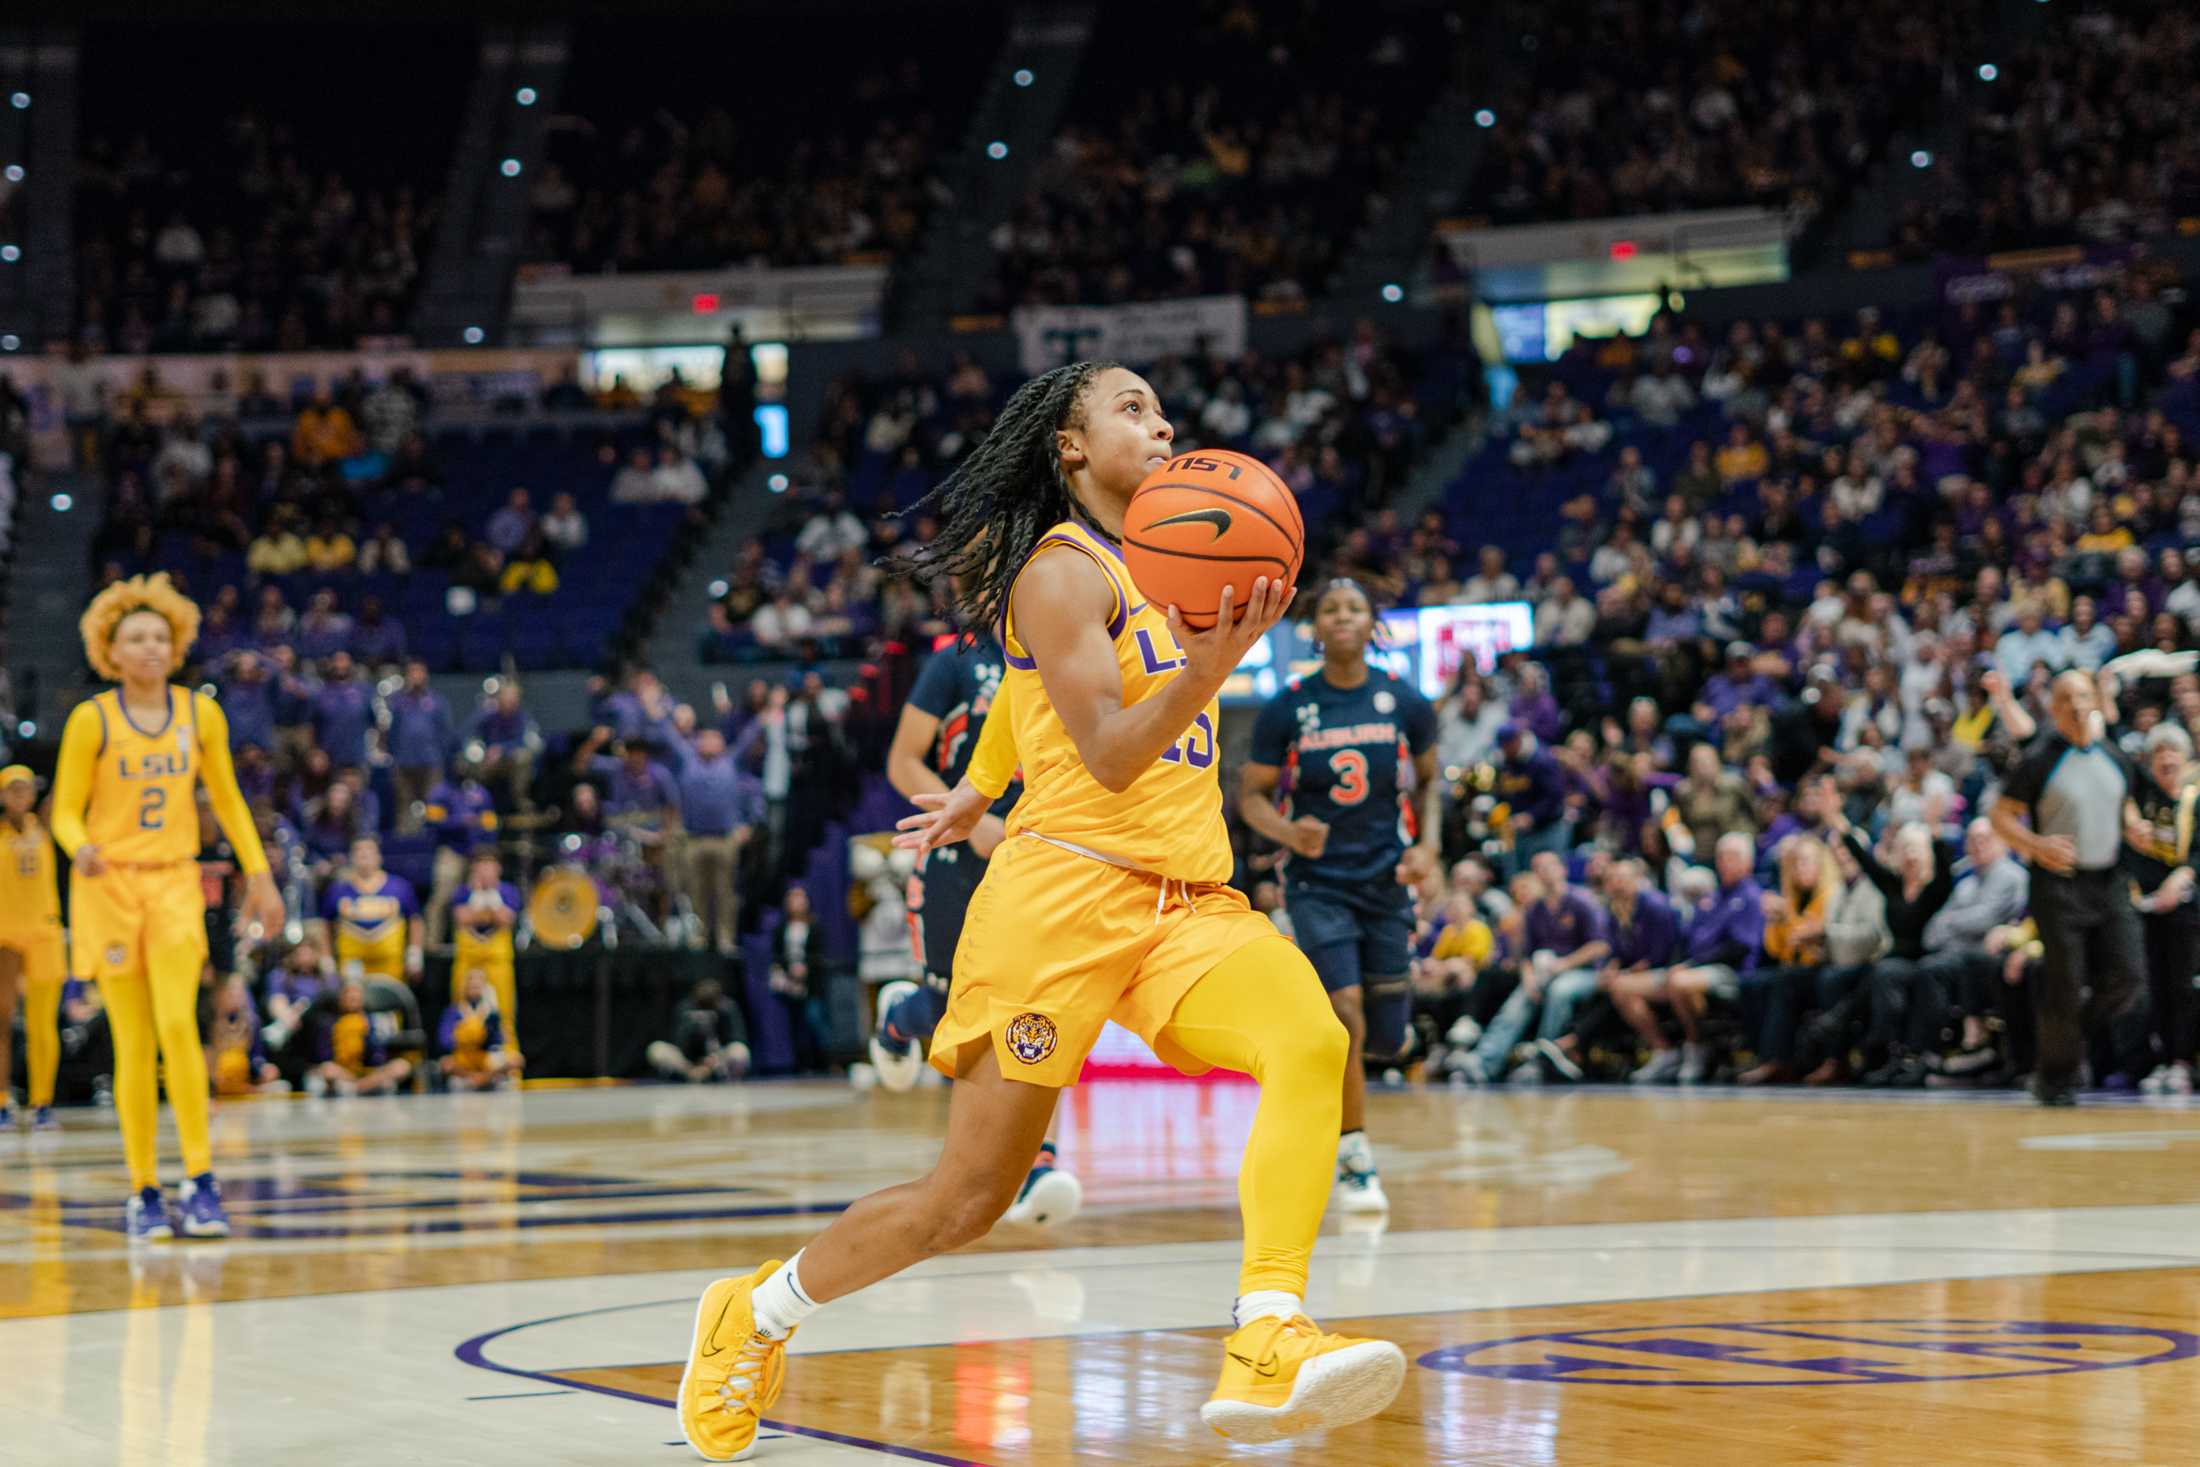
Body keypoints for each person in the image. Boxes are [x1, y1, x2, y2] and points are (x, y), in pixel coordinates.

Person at [672, 361, 1398, 1462]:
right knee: (965, 1201)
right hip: (1058, 906)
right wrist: (1210, 667)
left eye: (1163, 408)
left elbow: (1021, 701)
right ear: (1069, 448)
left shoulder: (1174, 565)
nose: (1161, 424)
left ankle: (1266, 1334)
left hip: (1186, 902)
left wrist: (979, 777)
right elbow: (1107, 752)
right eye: (1131, 408)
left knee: (1308, 1036)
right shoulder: (1060, 573)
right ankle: (754, 1313)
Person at [51, 574, 284, 1240]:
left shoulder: (199, 714)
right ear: (110, 649)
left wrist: (258, 873)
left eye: (160, 636)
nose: (150, 647)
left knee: (181, 1025)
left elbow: (231, 800)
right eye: (135, 638)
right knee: (132, 1039)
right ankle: (143, 1189)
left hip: (178, 882)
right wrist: (79, 845)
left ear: (176, 643)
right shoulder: (89, 719)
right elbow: (64, 807)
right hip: (110, 887)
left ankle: (201, 1180)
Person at [1237, 579, 1438, 1210]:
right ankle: (1354, 1155)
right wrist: (1288, 832)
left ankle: (1357, 1096)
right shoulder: (1287, 706)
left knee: (1383, 1038)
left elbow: (1432, 785)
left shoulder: (1404, 700)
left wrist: (1428, 846)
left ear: (1372, 622)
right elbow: (1250, 799)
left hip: (1384, 880)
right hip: (1317, 884)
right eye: (1330, 609)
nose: (1342, 618)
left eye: (1354, 609)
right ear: (1313, 627)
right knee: (1343, 1013)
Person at [877, 634, 1083, 1227]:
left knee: (1048, 1004)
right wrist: (970, 821)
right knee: (952, 1016)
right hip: (959, 849)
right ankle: (899, 1017)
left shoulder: (1079, 650)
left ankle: (1038, 1164)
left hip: (1042, 855)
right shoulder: (956, 660)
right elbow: (903, 761)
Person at [1990, 670, 2152, 1104]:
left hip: (2111, 881)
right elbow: (1999, 816)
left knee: (2130, 978)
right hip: (2058, 887)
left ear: (2095, 700)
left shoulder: (2116, 757)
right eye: (2066, 698)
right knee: (2064, 982)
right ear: (2055, 709)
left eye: (2082, 695)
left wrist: (2134, 827)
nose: (2077, 704)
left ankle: (2067, 1032)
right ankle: (2054, 1079)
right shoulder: (2040, 759)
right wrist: (2036, 844)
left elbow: (2126, 804)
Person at [2128, 722, 2199, 1094]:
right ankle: (2163, 1057)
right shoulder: (2143, 804)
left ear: (2186, 759)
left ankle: (2183, 1061)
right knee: (2154, 987)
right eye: (2159, 754)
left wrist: (2184, 875)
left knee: (2182, 986)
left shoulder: (2195, 801)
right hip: (2148, 907)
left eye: (2173, 753)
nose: (2167, 759)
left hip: (2188, 909)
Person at [0, 765, 66, 1134]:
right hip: (5, 936)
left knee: (44, 1027)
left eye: (25, 789)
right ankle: (2, 1101)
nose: (20, 795)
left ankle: (42, 1102)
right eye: (13, 789)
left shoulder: (46, 826)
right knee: (2, 1023)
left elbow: (69, 791)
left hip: (44, 934)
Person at [315, 836, 423, 986]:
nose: (364, 854)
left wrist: (414, 954)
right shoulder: (337, 890)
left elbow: (415, 920)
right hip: (352, 963)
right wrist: (326, 960)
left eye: (369, 850)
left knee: (389, 1004)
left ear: (379, 856)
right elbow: (325, 925)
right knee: (353, 1004)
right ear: (351, 857)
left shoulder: (400, 887)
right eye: (359, 850)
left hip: (390, 964)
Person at [450, 850, 522, 1046]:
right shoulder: (462, 892)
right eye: (480, 865)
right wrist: (482, 903)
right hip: (468, 962)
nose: (485, 870)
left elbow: (505, 918)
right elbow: (462, 918)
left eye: (489, 865)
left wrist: (488, 898)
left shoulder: (508, 891)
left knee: (504, 1013)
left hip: (497, 963)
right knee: (462, 1013)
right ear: (473, 868)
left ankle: (507, 1064)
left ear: (498, 868)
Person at [305, 977, 412, 1097]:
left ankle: (360, 1086)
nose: (352, 999)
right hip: (342, 1072)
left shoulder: (374, 1021)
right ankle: (362, 1086)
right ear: (341, 998)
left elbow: (379, 1056)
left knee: (402, 1066)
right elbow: (322, 1057)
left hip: (368, 1073)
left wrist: (370, 1034)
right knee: (327, 1069)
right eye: (348, 995)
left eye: (356, 996)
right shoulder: (328, 1023)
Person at [439, 970, 522, 1091]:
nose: (474, 989)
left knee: (515, 1060)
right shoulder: (454, 1011)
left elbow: (498, 1041)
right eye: (471, 985)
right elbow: (444, 1040)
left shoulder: (491, 1013)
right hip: (464, 1059)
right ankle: (474, 1078)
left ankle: (483, 1078)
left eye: (478, 986)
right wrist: (466, 1038)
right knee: (446, 1063)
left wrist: (489, 1024)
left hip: (485, 1059)